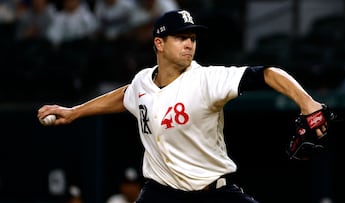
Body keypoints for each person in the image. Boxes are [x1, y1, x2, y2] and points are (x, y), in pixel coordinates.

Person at [38, 9, 327, 203]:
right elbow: (126, 95)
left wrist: (307, 102)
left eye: (192, 38)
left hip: (213, 194)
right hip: (161, 194)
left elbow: (267, 73)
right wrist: (74, 112)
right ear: (159, 44)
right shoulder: (142, 82)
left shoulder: (207, 79)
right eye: (181, 38)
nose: (189, 44)